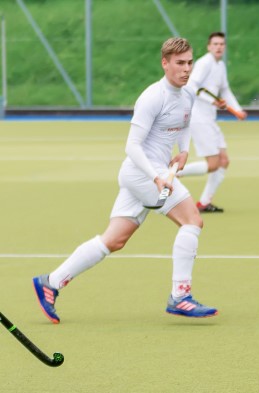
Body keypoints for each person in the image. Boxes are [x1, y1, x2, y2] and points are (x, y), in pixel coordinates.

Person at [32, 37, 218, 323]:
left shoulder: (187, 95)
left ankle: (51, 282)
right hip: (143, 173)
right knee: (192, 220)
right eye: (180, 63)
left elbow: (184, 123)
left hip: (146, 174)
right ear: (165, 63)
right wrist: (155, 177)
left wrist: (183, 151)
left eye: (190, 63)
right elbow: (132, 145)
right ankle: (180, 296)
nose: (186, 69)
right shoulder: (152, 97)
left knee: (114, 239)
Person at [180, 31, 247, 213]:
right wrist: (213, 101)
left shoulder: (220, 65)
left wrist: (238, 109)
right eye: (215, 44)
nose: (219, 47)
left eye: (221, 44)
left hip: (209, 119)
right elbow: (191, 85)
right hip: (199, 119)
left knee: (224, 161)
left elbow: (225, 90)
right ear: (209, 46)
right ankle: (171, 175)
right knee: (213, 164)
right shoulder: (204, 63)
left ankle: (204, 203)